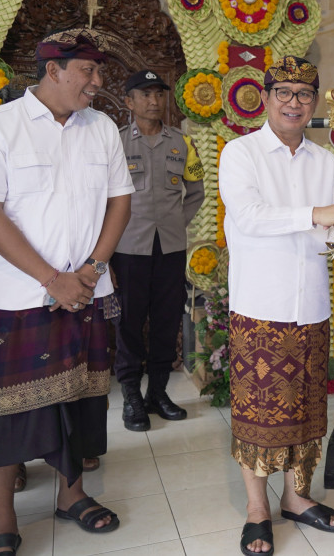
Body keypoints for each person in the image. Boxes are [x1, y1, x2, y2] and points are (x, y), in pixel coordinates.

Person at [0, 28, 134, 556]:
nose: (97, 83)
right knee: (6, 412)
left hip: (87, 291)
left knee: (83, 402)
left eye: (99, 72)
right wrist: (51, 278)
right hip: (18, 300)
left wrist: (90, 268)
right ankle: (4, 524)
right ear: (53, 71)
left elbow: (119, 203)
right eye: (88, 71)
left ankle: (72, 496)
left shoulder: (101, 127)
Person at [219, 55, 334, 556]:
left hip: (312, 306)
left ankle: (296, 499)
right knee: (258, 411)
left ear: (315, 101)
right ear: (266, 96)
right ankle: (258, 509)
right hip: (261, 305)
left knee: (305, 407)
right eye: (284, 92)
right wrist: (319, 214)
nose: (294, 102)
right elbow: (252, 217)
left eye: (304, 94)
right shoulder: (241, 153)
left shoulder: (325, 161)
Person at [112, 69, 205, 432]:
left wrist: (175, 222)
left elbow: (195, 191)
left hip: (170, 247)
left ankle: (159, 392)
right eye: (145, 94)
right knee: (130, 322)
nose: (154, 101)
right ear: (129, 101)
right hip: (129, 248)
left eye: (159, 94)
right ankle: (132, 396)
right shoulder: (116, 144)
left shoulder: (182, 144)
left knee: (167, 321)